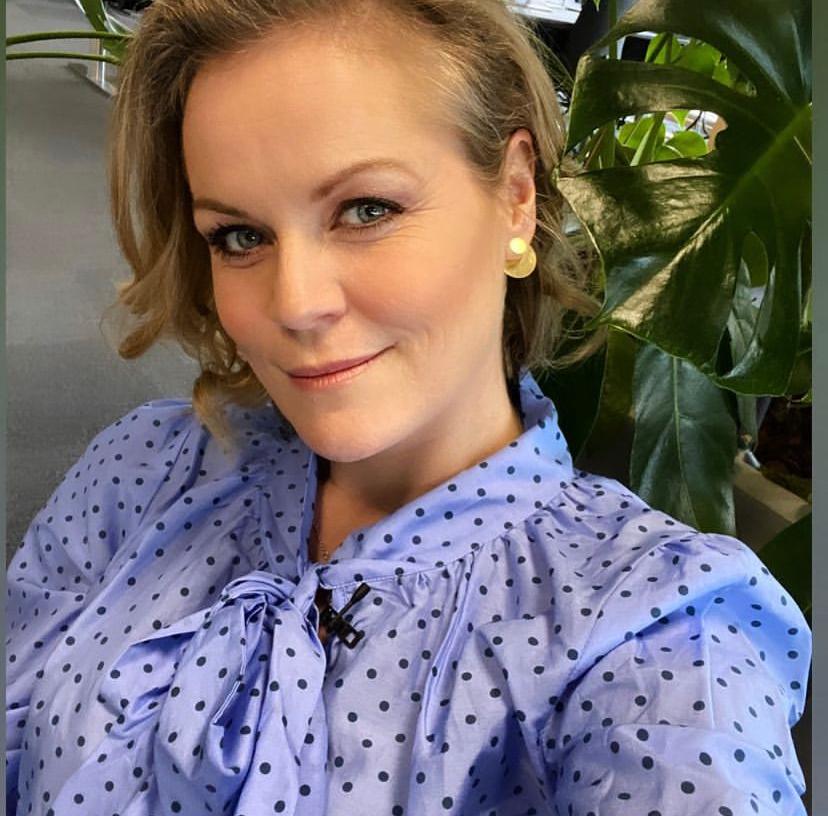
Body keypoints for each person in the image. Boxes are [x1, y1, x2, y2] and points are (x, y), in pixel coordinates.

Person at [5, 0, 810, 813]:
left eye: (367, 210)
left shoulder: (655, 626)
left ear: (517, 197)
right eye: (240, 236)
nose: (296, 304)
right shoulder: (140, 470)